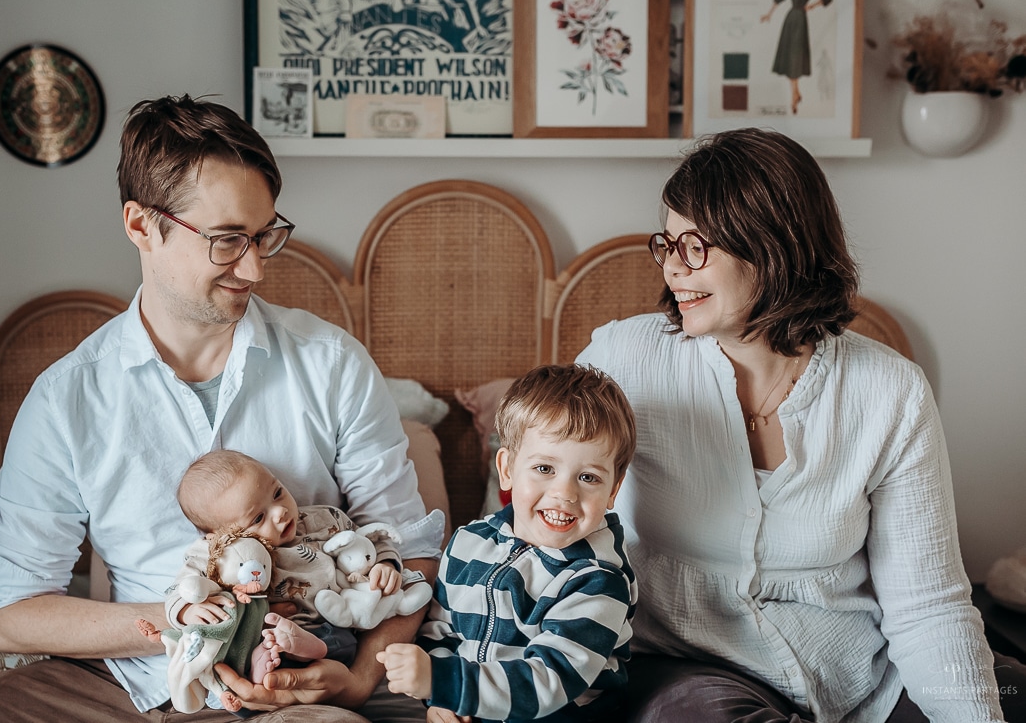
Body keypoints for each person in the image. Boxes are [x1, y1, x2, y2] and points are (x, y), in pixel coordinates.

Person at [0, 95, 442, 722]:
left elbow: (409, 552)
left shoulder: (331, 363)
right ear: (141, 225)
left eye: (264, 236)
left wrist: (358, 682)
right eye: (228, 240)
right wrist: (187, 619)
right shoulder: (67, 398)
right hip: (133, 685)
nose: (254, 267)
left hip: (302, 680)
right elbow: (12, 614)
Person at [576, 127, 1026, 722]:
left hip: (857, 672)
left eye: (696, 247)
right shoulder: (623, 361)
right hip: (689, 672)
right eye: (668, 243)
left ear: (774, 246)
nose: (674, 271)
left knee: (1004, 695)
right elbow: (539, 501)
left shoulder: (889, 389)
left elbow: (928, 605)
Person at [378, 364, 638, 722]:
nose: (565, 493)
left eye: (588, 477)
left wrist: (445, 683)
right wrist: (441, 699)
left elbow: (551, 681)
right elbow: (440, 631)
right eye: (545, 468)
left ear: (613, 490)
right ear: (507, 470)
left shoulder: (599, 579)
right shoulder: (467, 544)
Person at [166, 449, 411, 669]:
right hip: (267, 634)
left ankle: (302, 651)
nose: (280, 511)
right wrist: (185, 610)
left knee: (344, 643)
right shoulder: (219, 552)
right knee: (243, 653)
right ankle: (263, 665)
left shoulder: (324, 519)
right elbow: (181, 587)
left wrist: (385, 564)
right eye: (258, 518)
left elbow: (370, 541)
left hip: (331, 624)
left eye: (277, 492)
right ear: (220, 536)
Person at [760, 0, 832, 114]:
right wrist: (769, 14)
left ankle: (794, 96)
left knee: (795, 56)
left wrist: (812, 6)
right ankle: (796, 93)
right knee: (789, 56)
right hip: (791, 18)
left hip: (800, 20)